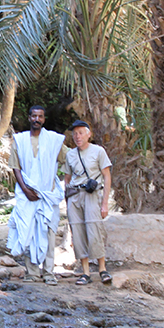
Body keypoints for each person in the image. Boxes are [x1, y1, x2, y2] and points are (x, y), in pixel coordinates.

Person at [7, 105, 66, 285]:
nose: (37, 119)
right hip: (27, 195)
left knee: (48, 233)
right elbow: (15, 167)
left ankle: (49, 273)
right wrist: (25, 190)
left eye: (40, 116)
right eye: (34, 116)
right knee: (28, 231)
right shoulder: (20, 140)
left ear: (44, 119)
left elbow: (67, 160)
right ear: (29, 117)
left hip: (46, 195)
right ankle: (31, 273)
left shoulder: (54, 140)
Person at [63, 119, 113, 285]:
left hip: (91, 194)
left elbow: (106, 176)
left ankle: (102, 269)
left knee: (94, 229)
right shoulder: (70, 154)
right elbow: (67, 178)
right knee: (77, 231)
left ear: (88, 134)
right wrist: (67, 199)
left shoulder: (98, 151)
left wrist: (105, 203)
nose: (78, 136)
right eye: (75, 133)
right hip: (74, 196)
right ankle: (85, 272)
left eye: (81, 133)